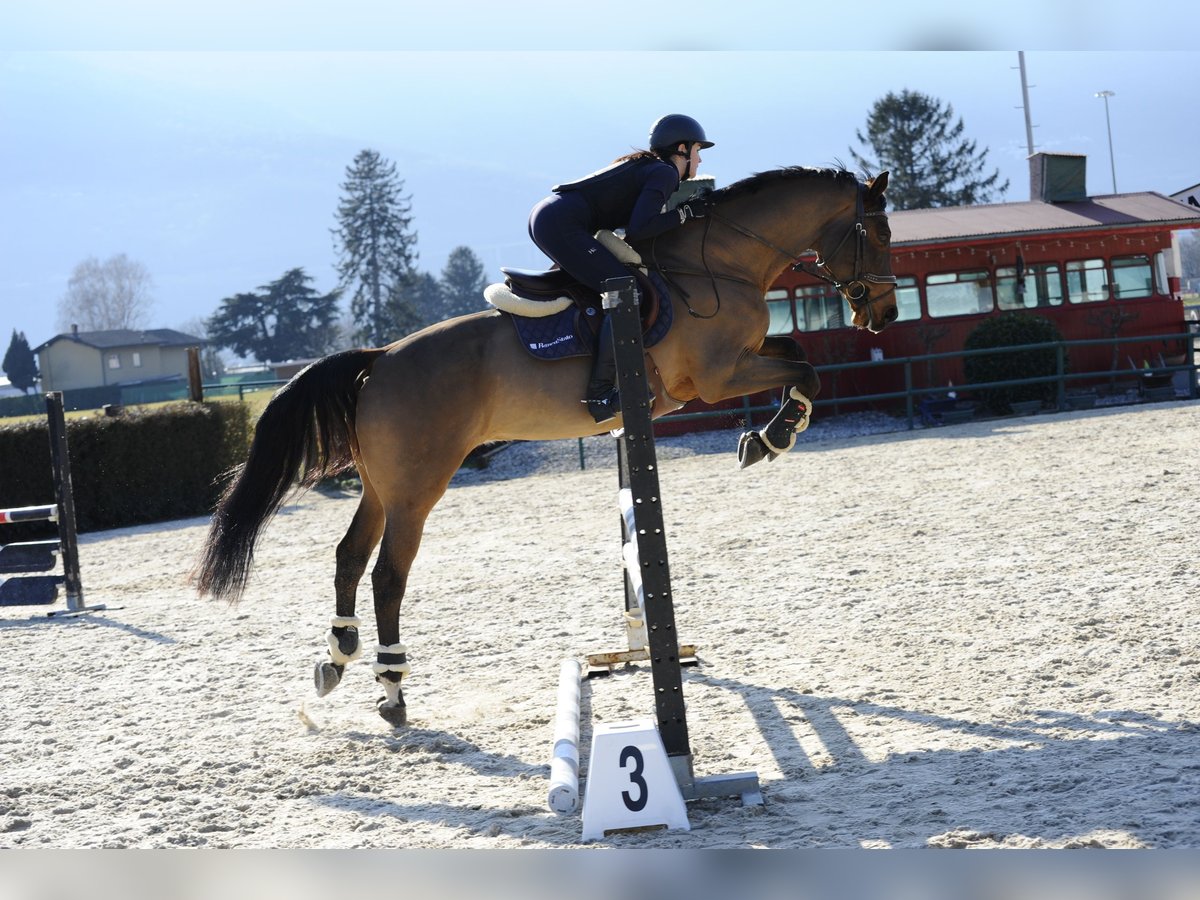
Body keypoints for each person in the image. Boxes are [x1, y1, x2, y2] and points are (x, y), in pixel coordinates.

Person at [527, 114, 715, 424]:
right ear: (681, 148)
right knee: (628, 292)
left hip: (552, 217)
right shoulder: (665, 173)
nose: (700, 159)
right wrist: (686, 213)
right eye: (698, 150)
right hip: (561, 223)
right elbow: (640, 230)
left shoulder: (653, 168)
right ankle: (601, 394)